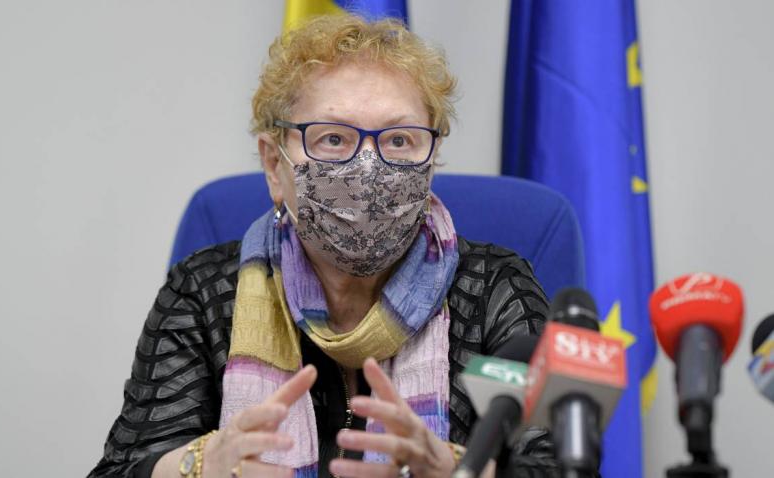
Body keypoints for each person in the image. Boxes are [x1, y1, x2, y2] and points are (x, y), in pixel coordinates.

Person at [89, 13, 570, 478]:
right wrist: (201, 466)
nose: (368, 168)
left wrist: (463, 473)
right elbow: (123, 468)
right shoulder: (206, 293)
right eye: (333, 139)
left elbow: (559, 466)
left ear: (432, 158)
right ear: (274, 165)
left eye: (399, 140)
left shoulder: (495, 291)